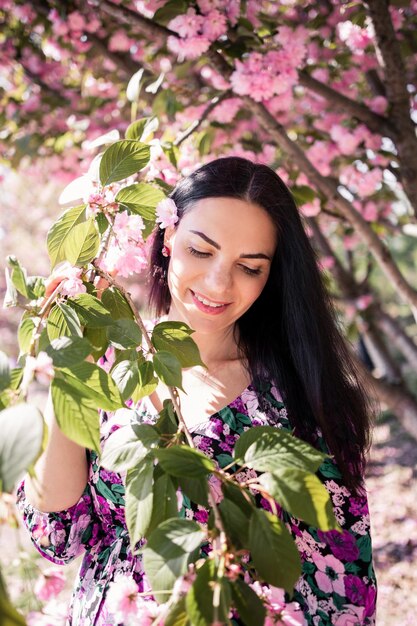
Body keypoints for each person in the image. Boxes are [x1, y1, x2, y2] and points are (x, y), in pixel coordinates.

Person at [17, 156, 377, 625]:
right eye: (201, 251)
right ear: (168, 238)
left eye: (250, 267)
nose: (217, 283)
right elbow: (57, 534)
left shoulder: (300, 399)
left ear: (272, 275)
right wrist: (72, 367)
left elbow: (343, 582)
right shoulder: (110, 368)